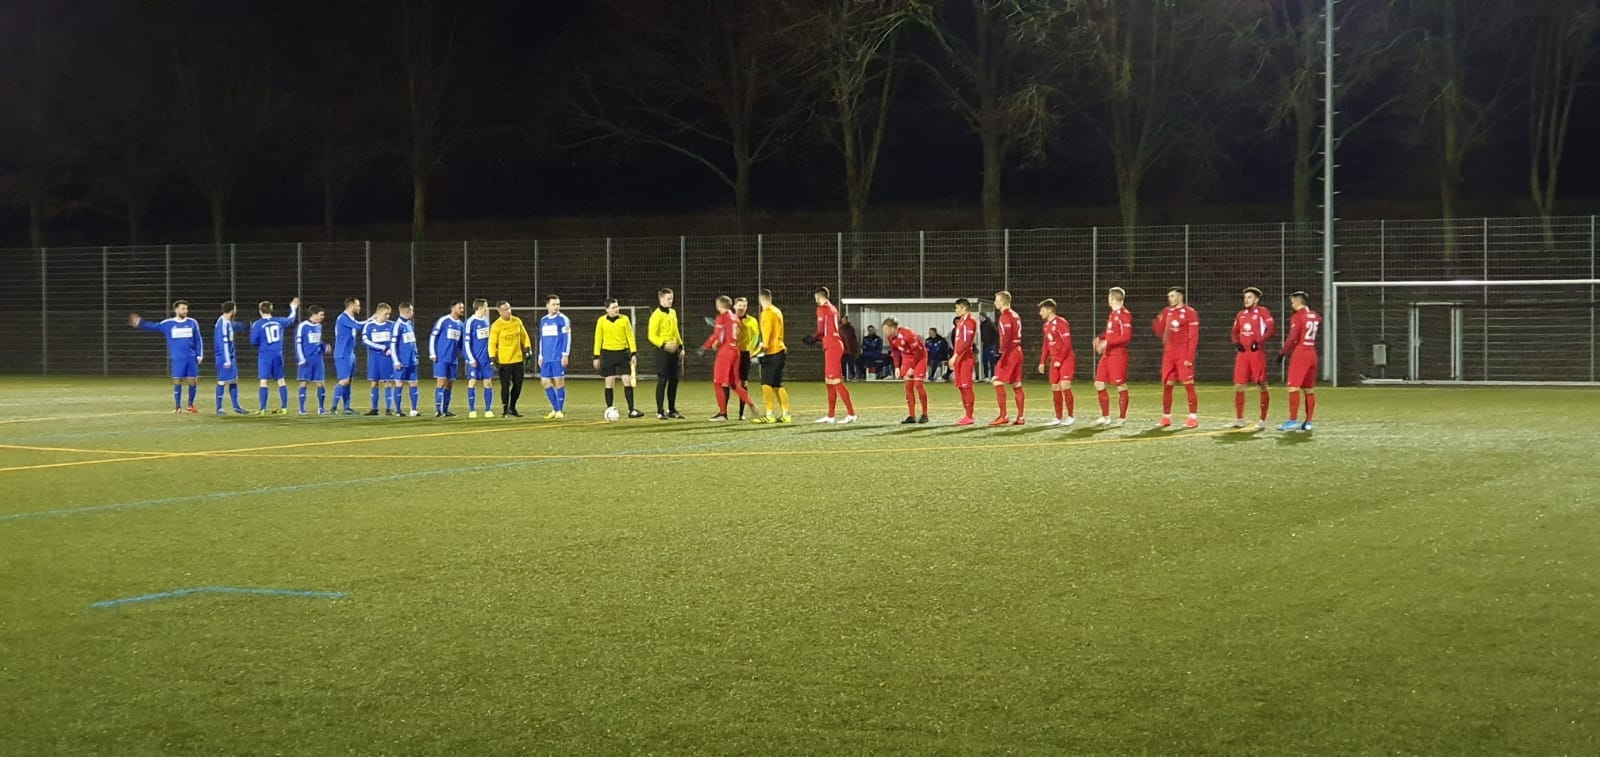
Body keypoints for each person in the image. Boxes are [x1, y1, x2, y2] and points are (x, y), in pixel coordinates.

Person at [129, 300, 204, 413]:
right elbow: (154, 326)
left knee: (193, 380)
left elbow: (198, 340)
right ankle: (178, 407)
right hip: (178, 358)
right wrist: (140, 323)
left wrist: (199, 355)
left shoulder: (192, 322)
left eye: (186, 309)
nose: (185, 311)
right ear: (176, 310)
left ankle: (190, 405)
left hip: (191, 357)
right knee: (177, 380)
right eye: (183, 309)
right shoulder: (168, 323)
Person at [700, 295, 756, 421]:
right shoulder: (735, 318)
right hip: (736, 351)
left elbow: (718, 336)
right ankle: (750, 403)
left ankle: (723, 413)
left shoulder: (722, 317)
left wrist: (705, 347)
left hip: (726, 352)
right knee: (734, 384)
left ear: (718, 305)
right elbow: (734, 332)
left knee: (718, 382)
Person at [805, 287, 856, 424]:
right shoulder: (833, 309)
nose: (815, 300)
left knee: (836, 381)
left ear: (819, 297)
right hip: (832, 343)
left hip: (832, 345)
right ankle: (830, 415)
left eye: (816, 297)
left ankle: (851, 413)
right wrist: (818, 339)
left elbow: (821, 329)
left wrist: (814, 338)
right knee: (829, 382)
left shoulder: (822, 309)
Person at [1153, 286, 1201, 429]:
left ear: (1180, 297)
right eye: (1169, 296)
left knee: (1188, 384)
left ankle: (1193, 417)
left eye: (1172, 296)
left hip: (1183, 354)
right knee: (1167, 385)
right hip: (1169, 354)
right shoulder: (1167, 311)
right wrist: (1158, 322)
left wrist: (1189, 357)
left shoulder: (1190, 313)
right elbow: (1159, 331)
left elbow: (1193, 337)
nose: (1169, 299)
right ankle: (1166, 417)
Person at [1230, 286, 1276, 430]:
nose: (1246, 300)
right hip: (1243, 354)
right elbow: (1235, 331)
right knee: (1239, 385)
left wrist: (1259, 341)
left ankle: (1263, 420)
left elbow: (1271, 329)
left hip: (1257, 353)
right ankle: (1240, 419)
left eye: (1249, 297)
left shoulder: (1262, 312)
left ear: (1256, 299)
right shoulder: (1241, 314)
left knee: (1261, 384)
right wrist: (1236, 342)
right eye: (1245, 297)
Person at [1278, 290, 1322, 432]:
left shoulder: (1298, 316)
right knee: (1309, 390)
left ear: (1298, 301)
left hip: (1301, 353)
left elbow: (1292, 337)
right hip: (1312, 353)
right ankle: (1308, 422)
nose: (1291, 304)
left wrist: (1282, 353)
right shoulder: (1315, 315)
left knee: (1293, 387)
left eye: (1292, 301)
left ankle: (1292, 420)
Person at [593, 298, 643, 418]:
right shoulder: (601, 321)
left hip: (622, 353)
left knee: (627, 381)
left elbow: (630, 336)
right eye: (613, 307)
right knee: (609, 382)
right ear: (607, 309)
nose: (616, 309)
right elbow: (598, 338)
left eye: (617, 306)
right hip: (608, 354)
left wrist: (633, 353)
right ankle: (610, 409)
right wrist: (596, 356)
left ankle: (631, 410)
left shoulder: (624, 319)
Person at [250, 297, 300, 415]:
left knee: (263, 381)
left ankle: (262, 409)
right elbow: (291, 319)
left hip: (265, 355)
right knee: (281, 380)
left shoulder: (257, 324)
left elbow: (253, 341)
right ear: (271, 310)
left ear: (260, 310)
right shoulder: (279, 321)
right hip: (278, 354)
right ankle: (284, 408)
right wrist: (293, 307)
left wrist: (262, 344)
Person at [1091, 287, 1134, 427]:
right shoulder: (1113, 314)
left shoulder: (1124, 315)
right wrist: (1100, 337)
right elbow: (1111, 332)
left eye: (1109, 297)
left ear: (1112, 298)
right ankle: (1105, 417)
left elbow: (1126, 337)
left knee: (1120, 385)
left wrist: (1107, 342)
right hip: (1107, 354)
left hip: (1118, 355)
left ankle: (1122, 418)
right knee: (1099, 383)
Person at [1037, 298, 1077, 427]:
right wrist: (1042, 361)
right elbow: (1046, 345)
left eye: (1042, 310)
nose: (1040, 313)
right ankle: (1058, 417)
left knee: (1065, 385)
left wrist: (1060, 359)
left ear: (1049, 310)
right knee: (1055, 387)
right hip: (1054, 360)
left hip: (1066, 359)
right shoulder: (1046, 326)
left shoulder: (1061, 323)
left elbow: (1067, 343)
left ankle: (1070, 416)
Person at [647, 288, 686, 420]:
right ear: (661, 299)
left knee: (674, 380)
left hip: (674, 351)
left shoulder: (673, 312)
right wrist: (663, 344)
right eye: (668, 298)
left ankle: (672, 409)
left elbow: (676, 331)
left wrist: (681, 346)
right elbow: (651, 335)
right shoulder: (656, 315)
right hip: (662, 352)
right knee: (662, 381)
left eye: (672, 298)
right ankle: (660, 411)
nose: (671, 301)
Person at [490, 301, 532, 417]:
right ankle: (505, 410)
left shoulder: (517, 321)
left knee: (518, 385)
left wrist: (527, 348)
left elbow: (524, 336)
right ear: (499, 312)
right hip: (504, 361)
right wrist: (493, 357)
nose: (508, 311)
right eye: (505, 309)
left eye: (509, 308)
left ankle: (512, 407)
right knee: (505, 386)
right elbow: (492, 343)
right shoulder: (496, 325)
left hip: (518, 359)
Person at [990, 290, 1026, 426]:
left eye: (996, 300)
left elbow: (1005, 335)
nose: (995, 303)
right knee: (1017, 384)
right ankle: (1020, 417)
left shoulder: (1004, 316)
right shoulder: (1015, 315)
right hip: (1018, 351)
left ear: (1002, 301)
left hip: (1010, 353)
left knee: (997, 382)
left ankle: (1003, 416)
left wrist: (1001, 352)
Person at [883, 317, 930, 424]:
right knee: (908, 386)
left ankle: (924, 414)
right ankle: (911, 416)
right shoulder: (890, 338)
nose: (884, 332)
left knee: (918, 385)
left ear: (893, 328)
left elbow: (918, 352)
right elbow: (895, 352)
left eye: (886, 329)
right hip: (907, 357)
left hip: (920, 357)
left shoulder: (908, 334)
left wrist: (912, 368)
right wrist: (896, 367)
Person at [754, 289, 790, 423]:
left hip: (772, 352)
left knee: (766, 383)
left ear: (760, 299)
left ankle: (769, 414)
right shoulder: (777, 311)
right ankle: (786, 414)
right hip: (780, 350)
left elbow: (766, 341)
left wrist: (754, 354)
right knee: (777, 384)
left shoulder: (766, 313)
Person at [537, 294, 572, 419]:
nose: (556, 307)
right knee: (545, 382)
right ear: (547, 305)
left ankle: (559, 410)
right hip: (546, 357)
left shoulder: (563, 319)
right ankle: (555, 408)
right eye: (553, 304)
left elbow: (567, 337)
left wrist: (565, 354)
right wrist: (540, 355)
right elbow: (542, 339)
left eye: (558, 304)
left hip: (558, 356)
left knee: (559, 381)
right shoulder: (543, 320)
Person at [429, 300, 466, 417]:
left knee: (449, 384)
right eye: (460, 307)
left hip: (453, 359)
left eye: (463, 308)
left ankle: (445, 410)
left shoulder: (461, 325)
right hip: (441, 357)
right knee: (441, 382)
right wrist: (432, 353)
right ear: (453, 308)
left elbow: (461, 344)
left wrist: (467, 357)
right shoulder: (443, 320)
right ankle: (438, 410)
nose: (462, 310)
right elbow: (433, 336)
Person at [212, 301, 249, 415]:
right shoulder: (223, 323)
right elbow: (223, 343)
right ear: (233, 310)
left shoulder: (227, 322)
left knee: (233, 380)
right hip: (224, 357)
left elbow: (235, 326)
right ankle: (219, 408)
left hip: (230, 356)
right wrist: (227, 359)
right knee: (222, 381)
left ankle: (236, 406)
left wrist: (247, 325)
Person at [361, 303, 397, 416]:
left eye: (389, 314)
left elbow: (395, 340)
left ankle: (388, 409)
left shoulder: (392, 325)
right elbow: (365, 341)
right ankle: (374, 409)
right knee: (374, 382)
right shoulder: (369, 326)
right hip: (374, 359)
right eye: (386, 314)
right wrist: (382, 347)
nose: (388, 316)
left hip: (387, 358)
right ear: (379, 313)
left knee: (387, 382)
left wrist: (390, 349)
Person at [332, 297, 365, 414]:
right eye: (358, 305)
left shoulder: (351, 318)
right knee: (344, 380)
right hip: (342, 353)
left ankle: (347, 408)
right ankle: (333, 407)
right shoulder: (343, 318)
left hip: (350, 353)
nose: (359, 307)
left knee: (349, 381)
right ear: (352, 306)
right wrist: (373, 319)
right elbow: (359, 326)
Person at [464, 299, 495, 418]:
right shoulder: (470, 322)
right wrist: (471, 359)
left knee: (488, 383)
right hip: (475, 359)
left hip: (486, 359)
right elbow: (466, 342)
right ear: (480, 308)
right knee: (472, 382)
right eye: (486, 307)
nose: (487, 309)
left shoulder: (486, 320)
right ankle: (472, 410)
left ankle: (488, 410)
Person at [295, 306, 328, 415]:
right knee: (304, 382)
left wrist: (324, 346)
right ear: (314, 314)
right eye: (321, 314)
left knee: (321, 383)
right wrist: (301, 358)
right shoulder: (303, 326)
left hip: (318, 359)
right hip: (306, 360)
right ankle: (302, 409)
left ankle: (321, 408)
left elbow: (318, 341)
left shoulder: (319, 326)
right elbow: (298, 343)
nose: (323, 317)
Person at [950, 299, 979, 425]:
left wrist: (955, 356)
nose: (955, 310)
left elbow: (966, 343)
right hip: (959, 357)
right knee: (961, 386)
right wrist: (955, 356)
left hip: (966, 358)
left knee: (967, 386)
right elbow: (959, 341)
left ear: (964, 308)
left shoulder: (970, 321)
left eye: (957, 308)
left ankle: (970, 415)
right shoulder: (961, 321)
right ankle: (966, 414)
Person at [735, 297, 762, 420]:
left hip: (744, 354)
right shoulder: (729, 319)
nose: (742, 308)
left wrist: (751, 351)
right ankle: (723, 413)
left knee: (743, 383)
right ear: (735, 306)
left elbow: (756, 338)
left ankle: (741, 413)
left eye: (744, 305)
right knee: (726, 383)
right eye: (740, 305)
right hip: (731, 354)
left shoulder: (752, 321)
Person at [393, 302, 421, 417]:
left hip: (412, 360)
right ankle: (398, 411)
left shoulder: (409, 324)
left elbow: (412, 342)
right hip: (402, 361)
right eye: (412, 310)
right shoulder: (397, 325)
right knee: (399, 383)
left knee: (414, 383)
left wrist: (416, 354)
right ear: (407, 311)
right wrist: (396, 361)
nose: (413, 312)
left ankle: (413, 410)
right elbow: (392, 345)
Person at [839, 315, 860, 381]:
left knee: (851, 364)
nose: (844, 321)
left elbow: (854, 339)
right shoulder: (840, 329)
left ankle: (852, 376)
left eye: (845, 320)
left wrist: (855, 348)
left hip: (850, 350)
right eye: (843, 320)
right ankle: (843, 376)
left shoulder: (851, 329)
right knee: (842, 364)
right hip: (843, 350)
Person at [979, 313, 1000, 380]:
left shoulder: (990, 323)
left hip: (991, 344)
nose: (979, 318)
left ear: (983, 317)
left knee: (991, 360)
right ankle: (986, 376)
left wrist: (993, 341)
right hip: (985, 344)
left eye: (980, 317)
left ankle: (993, 375)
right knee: (984, 360)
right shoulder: (981, 325)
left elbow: (996, 332)